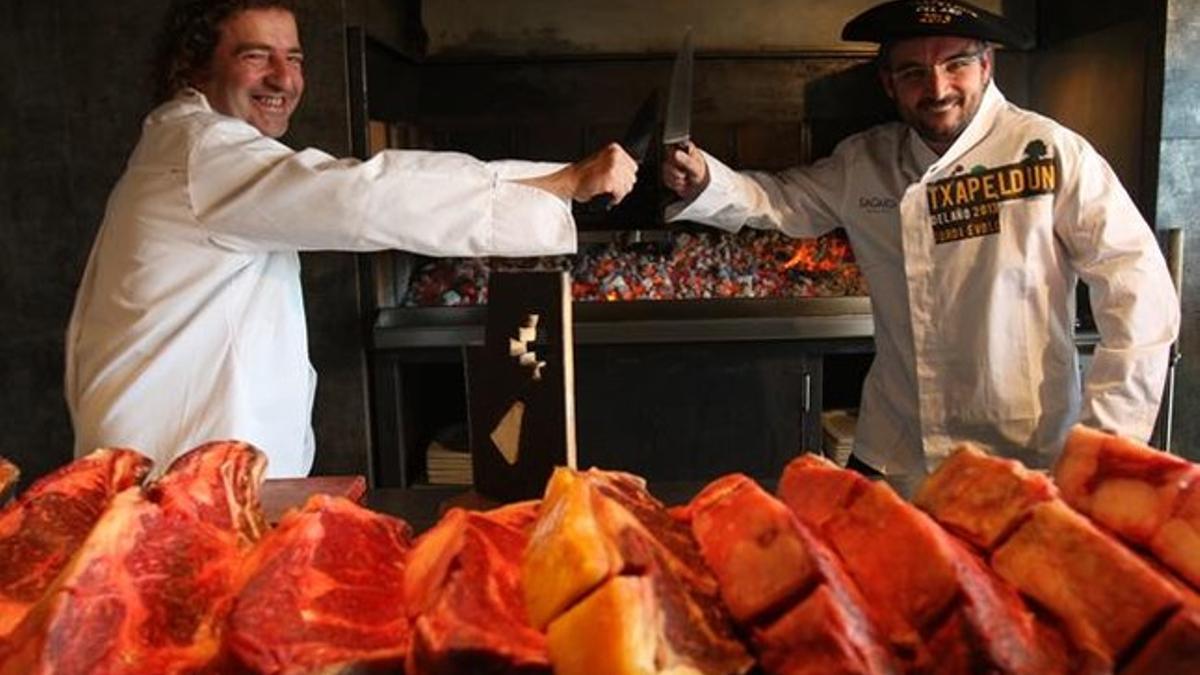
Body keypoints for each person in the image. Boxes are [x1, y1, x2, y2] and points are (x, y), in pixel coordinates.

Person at [65, 0, 638, 477]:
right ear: (193, 70)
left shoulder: (194, 147)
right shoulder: (203, 151)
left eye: (293, 58)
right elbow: (363, 196)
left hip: (192, 473)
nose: (284, 78)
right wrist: (564, 182)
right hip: (178, 485)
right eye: (255, 56)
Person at [662, 0, 1179, 493]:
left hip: (1023, 453)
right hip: (895, 449)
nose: (937, 87)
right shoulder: (865, 161)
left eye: (955, 64)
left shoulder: (1047, 153)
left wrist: (1109, 442)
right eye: (912, 72)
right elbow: (780, 201)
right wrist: (707, 179)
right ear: (888, 83)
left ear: (986, 66)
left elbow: (1139, 287)